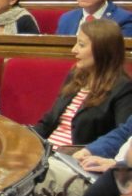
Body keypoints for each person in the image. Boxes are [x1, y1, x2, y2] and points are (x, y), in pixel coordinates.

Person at [34, 19, 132, 148]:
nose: (74, 50)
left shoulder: (123, 88)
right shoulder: (75, 76)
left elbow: (122, 138)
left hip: (78, 156)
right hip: (47, 150)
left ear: (102, 49)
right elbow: (48, 122)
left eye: (81, 45)